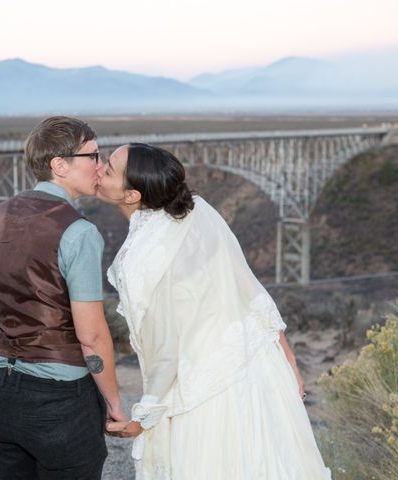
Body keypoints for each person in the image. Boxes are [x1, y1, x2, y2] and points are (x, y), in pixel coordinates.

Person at [97, 143, 331, 479]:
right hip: (259, 371)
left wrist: (143, 417)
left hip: (205, 394)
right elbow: (250, 290)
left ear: (132, 195)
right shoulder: (197, 209)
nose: (99, 168)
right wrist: (288, 360)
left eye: (108, 167)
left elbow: (164, 348)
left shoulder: (142, 257)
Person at [0, 116, 125, 480]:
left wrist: (8, 369)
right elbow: (91, 335)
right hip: (61, 403)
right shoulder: (79, 232)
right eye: (92, 155)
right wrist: (114, 403)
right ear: (60, 165)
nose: (100, 165)